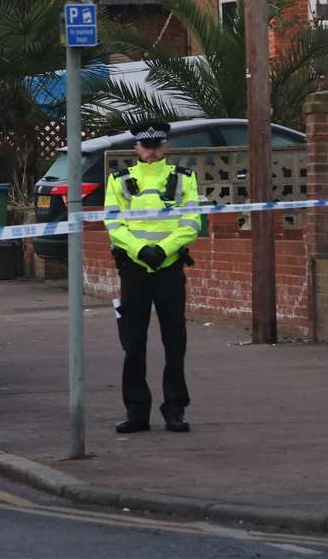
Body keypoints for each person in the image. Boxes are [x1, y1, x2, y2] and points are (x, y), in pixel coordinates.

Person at [104, 120, 200, 435]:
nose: (151, 153)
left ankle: (175, 410)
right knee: (134, 342)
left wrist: (163, 249)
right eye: (146, 147)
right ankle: (136, 412)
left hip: (169, 266)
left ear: (166, 147)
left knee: (175, 342)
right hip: (135, 268)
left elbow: (191, 221)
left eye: (157, 146)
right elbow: (114, 225)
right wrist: (140, 249)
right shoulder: (119, 180)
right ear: (137, 148)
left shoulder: (184, 178)